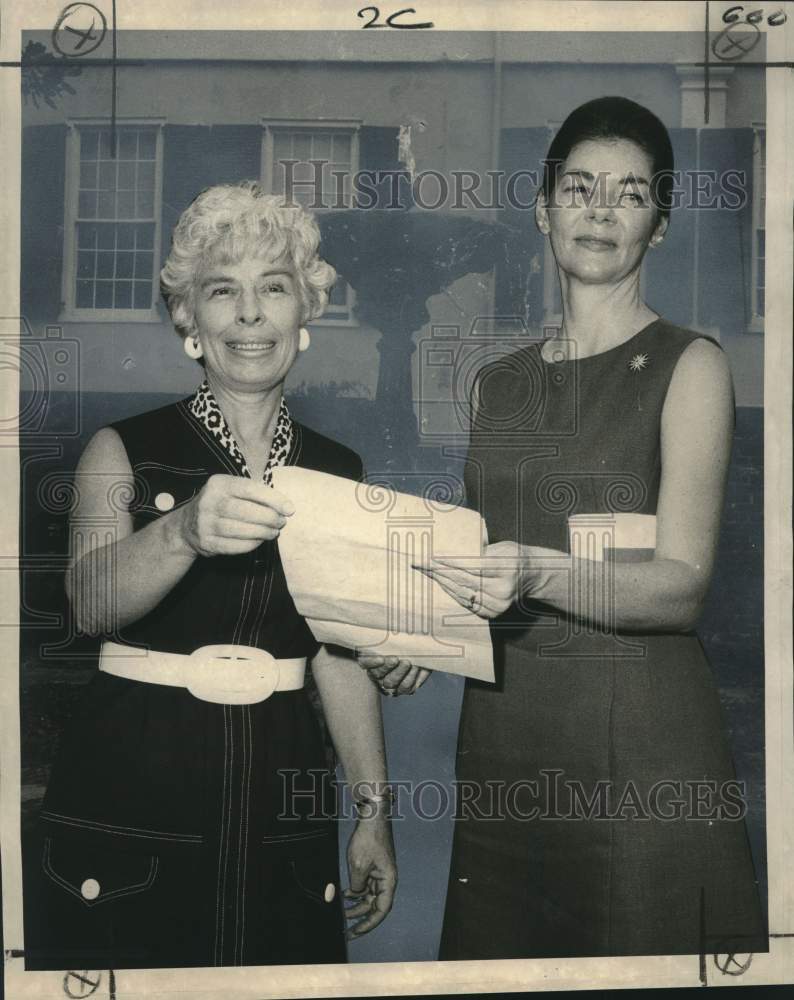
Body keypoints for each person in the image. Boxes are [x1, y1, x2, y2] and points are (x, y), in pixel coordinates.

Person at [361, 97, 766, 958]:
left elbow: (682, 584)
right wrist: (417, 631)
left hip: (640, 755)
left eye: (629, 193)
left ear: (658, 224)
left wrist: (535, 574)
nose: (600, 210)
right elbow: (479, 561)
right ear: (544, 209)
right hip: (507, 746)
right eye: (579, 187)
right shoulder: (496, 384)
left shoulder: (691, 365)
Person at [24, 181, 396, 970]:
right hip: (134, 787)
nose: (251, 314)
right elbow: (88, 605)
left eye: (275, 287)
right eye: (223, 291)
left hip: (281, 792)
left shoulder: (340, 470)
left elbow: (341, 656)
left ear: (306, 315)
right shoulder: (119, 449)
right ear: (188, 319)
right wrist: (183, 530)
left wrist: (372, 811)